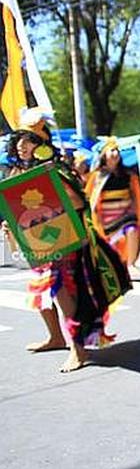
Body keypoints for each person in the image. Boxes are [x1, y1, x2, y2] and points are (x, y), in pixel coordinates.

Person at [2, 107, 131, 372]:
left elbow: (76, 201)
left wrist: (50, 187)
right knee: (41, 289)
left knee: (63, 292)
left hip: (65, 241)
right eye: (20, 140)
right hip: (40, 244)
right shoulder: (20, 172)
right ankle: (56, 337)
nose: (22, 145)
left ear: (40, 142)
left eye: (28, 139)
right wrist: (10, 223)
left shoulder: (56, 168)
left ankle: (78, 350)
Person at [85, 138, 140, 272]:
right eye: (112, 150)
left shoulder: (128, 175)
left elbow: (137, 195)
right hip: (104, 220)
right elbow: (90, 198)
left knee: (132, 229)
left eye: (117, 151)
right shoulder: (97, 176)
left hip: (125, 215)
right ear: (104, 155)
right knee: (107, 248)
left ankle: (131, 264)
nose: (116, 153)